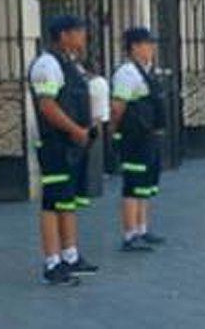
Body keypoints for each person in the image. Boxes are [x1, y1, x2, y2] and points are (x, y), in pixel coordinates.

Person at [28, 15, 100, 285]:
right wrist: (75, 129)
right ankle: (52, 262)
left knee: (67, 200)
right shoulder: (47, 64)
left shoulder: (69, 64)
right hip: (55, 144)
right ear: (64, 35)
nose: (84, 37)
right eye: (80, 32)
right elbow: (47, 106)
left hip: (71, 143)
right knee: (52, 201)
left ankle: (70, 255)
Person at [110, 27, 167, 252]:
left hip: (148, 136)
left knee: (145, 185)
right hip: (134, 137)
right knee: (133, 185)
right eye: (147, 44)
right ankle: (130, 234)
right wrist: (114, 133)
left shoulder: (147, 70)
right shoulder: (126, 73)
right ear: (134, 47)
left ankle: (142, 229)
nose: (151, 48)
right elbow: (117, 107)